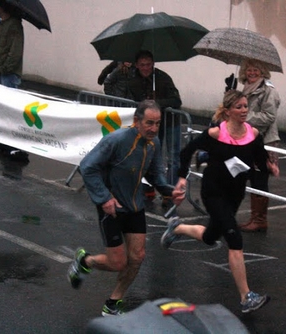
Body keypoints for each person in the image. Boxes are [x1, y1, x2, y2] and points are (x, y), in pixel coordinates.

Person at [161, 90, 270, 314]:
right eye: (239, 107)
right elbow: (186, 151)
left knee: (211, 237)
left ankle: (177, 227)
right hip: (213, 192)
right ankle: (246, 297)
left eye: (245, 106)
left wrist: (269, 167)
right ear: (228, 111)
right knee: (234, 238)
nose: (243, 111)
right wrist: (182, 178)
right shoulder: (215, 134)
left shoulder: (253, 133)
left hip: (235, 194)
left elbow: (259, 158)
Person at [68, 100, 178, 316]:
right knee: (117, 262)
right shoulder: (116, 140)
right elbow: (87, 167)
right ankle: (85, 261)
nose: (154, 128)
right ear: (137, 121)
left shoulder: (154, 142)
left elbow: (155, 174)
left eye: (157, 123)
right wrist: (104, 198)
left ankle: (113, 302)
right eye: (149, 123)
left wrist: (170, 191)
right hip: (112, 207)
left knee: (137, 257)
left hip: (135, 206)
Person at [126, 50, 182, 205]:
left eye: (149, 64)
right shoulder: (132, 82)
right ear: (136, 65)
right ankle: (149, 187)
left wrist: (157, 104)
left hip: (170, 122)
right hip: (149, 126)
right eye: (142, 65)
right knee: (148, 155)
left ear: (153, 64)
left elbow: (176, 100)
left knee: (173, 158)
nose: (146, 68)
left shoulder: (163, 78)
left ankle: (169, 192)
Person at [237, 58, 281, 233]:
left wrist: (244, 116)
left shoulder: (268, 91)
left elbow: (269, 116)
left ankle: (260, 219)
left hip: (264, 140)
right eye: (249, 70)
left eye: (256, 70)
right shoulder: (245, 89)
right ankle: (255, 217)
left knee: (260, 178)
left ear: (263, 72)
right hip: (248, 139)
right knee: (251, 176)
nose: (252, 73)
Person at [0, 0, 27, 161]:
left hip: (8, 75)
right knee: (2, 110)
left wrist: (4, 69)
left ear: (3, 8)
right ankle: (4, 142)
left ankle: (14, 145)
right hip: (0, 73)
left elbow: (15, 52)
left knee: (11, 111)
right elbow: (3, 47)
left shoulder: (15, 25)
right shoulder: (3, 25)